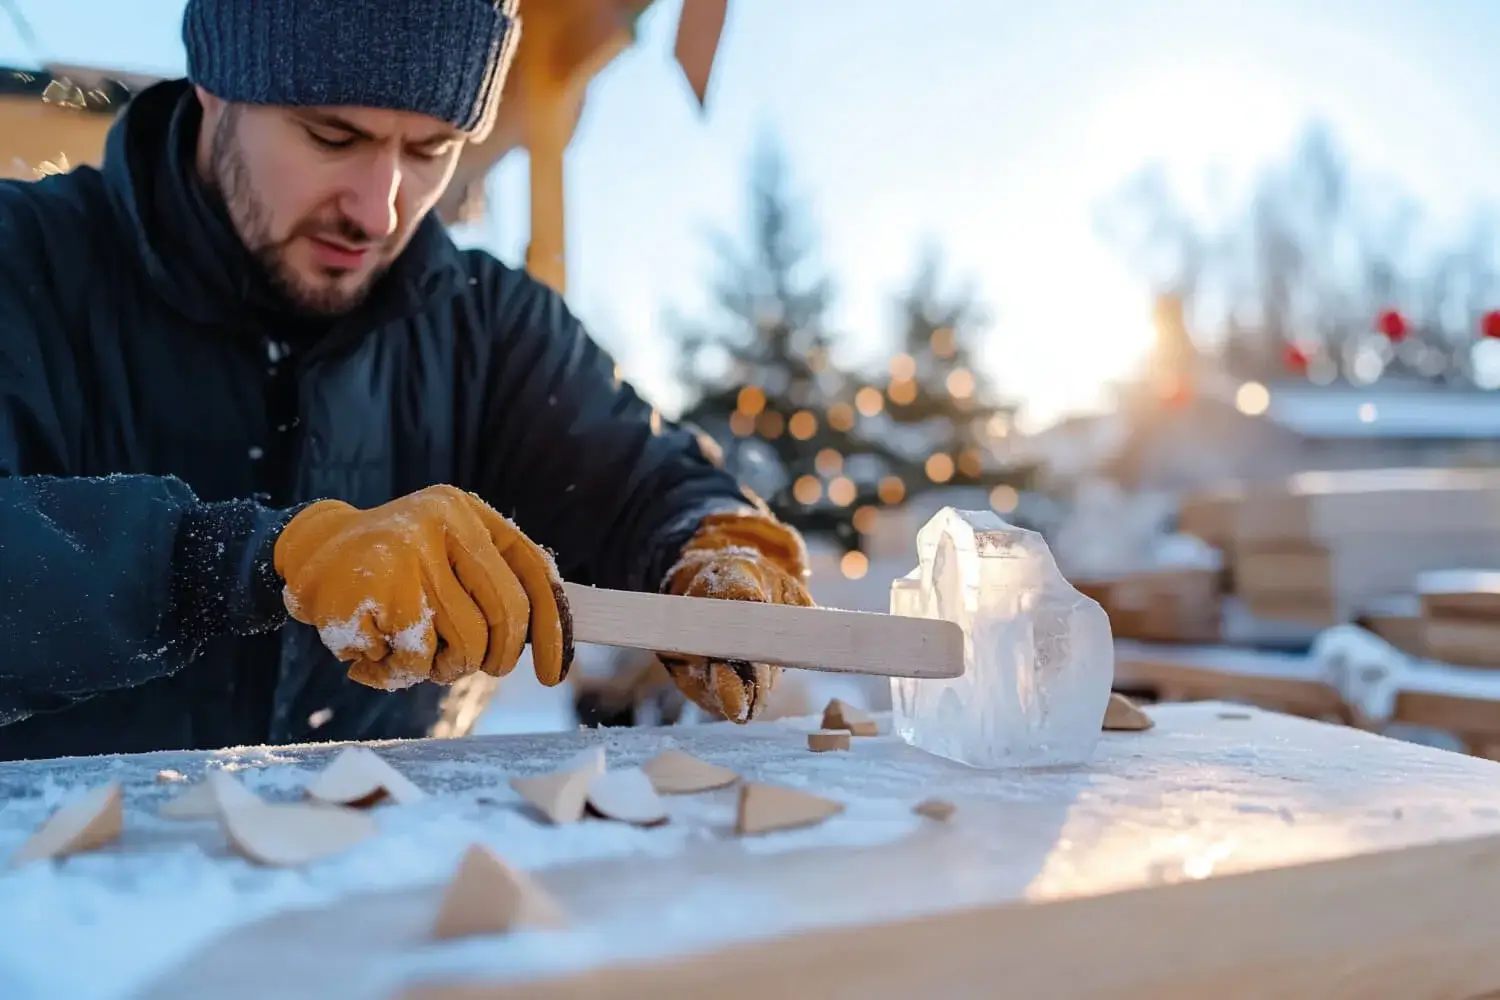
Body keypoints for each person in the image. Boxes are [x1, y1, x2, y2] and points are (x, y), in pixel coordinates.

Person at [0, 0, 815, 761]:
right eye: (332, 135)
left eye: (432, 150)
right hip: (60, 864)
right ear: (214, 85)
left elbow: (644, 483)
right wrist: (236, 562)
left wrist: (717, 545)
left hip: (391, 862)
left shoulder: (488, 326)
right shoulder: (23, 264)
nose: (379, 213)